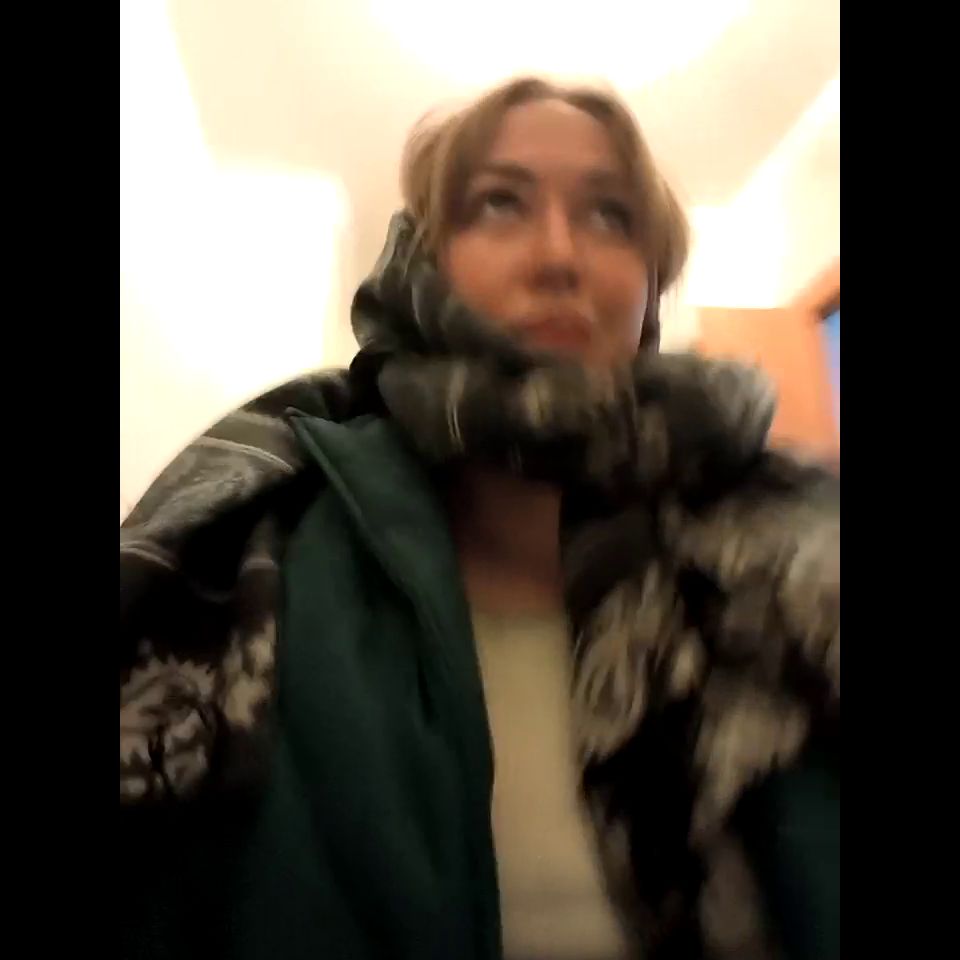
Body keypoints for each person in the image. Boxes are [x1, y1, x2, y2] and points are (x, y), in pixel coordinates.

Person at [120, 77, 839, 960]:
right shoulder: (271, 529)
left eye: (611, 216)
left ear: (651, 288)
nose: (560, 256)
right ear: (422, 265)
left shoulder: (791, 534)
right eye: (500, 203)